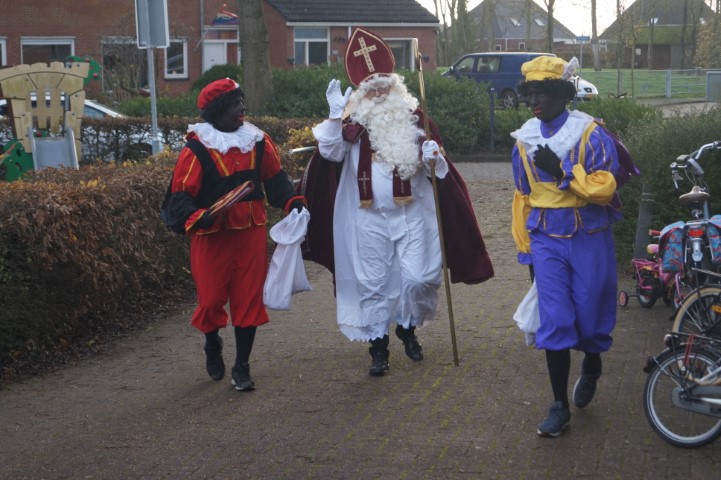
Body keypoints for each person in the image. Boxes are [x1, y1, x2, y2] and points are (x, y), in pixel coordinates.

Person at [300, 27, 493, 376]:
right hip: (366, 217)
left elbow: (440, 173)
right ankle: (378, 349)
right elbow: (330, 152)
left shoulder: (417, 118)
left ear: (395, 84)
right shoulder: (350, 122)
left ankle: (407, 326)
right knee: (371, 283)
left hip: (412, 213)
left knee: (419, 277)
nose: (377, 89)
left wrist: (435, 158)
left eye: (383, 83)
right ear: (361, 90)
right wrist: (332, 117)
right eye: (370, 85)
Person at [510, 56, 637, 437]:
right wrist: (526, 248)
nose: (535, 100)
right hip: (546, 238)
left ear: (562, 94)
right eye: (530, 93)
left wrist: (563, 171)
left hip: (589, 235)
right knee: (556, 318)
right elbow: (523, 195)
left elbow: (604, 186)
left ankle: (593, 362)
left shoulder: (589, 134)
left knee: (591, 308)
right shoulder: (523, 140)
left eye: (543, 93)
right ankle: (558, 405)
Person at [164, 78, 306, 391]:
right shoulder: (197, 147)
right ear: (217, 110)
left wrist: (291, 201)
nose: (242, 107)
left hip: (250, 234)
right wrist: (196, 216)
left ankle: (242, 366)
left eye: (241, 101)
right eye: (234, 103)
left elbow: (275, 177)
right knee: (211, 299)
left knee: (248, 299)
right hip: (211, 235)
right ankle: (212, 342)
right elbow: (182, 194)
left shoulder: (257, 140)